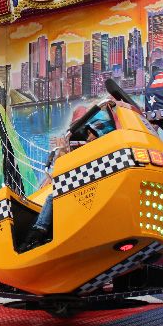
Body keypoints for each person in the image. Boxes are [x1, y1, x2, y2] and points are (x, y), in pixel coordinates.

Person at [17, 106, 115, 253]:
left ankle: (37, 233)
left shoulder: (98, 147)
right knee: (53, 197)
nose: (88, 137)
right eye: (88, 133)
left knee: (52, 198)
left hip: (89, 186)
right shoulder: (82, 149)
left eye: (91, 134)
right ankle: (39, 234)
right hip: (82, 184)